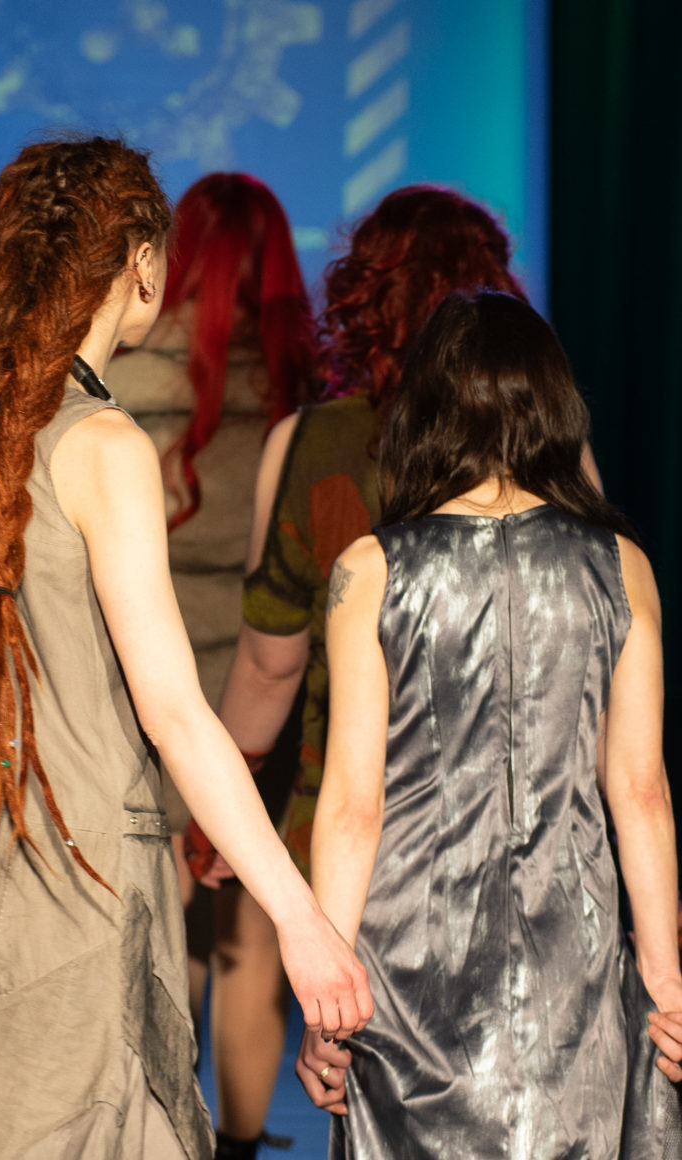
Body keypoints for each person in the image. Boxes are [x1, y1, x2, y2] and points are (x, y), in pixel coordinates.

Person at [0, 137, 371, 1160]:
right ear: (139, 261)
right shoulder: (102, 443)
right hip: (82, 865)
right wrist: (300, 917)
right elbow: (173, 712)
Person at [297, 290, 682, 1157]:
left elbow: (353, 805)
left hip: (408, 979)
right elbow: (640, 791)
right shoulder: (620, 564)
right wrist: (665, 981)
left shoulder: (372, 570)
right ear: (555, 408)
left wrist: (326, 1004)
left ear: (423, 411)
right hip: (574, 971)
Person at [198, 185, 525, 1159]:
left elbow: (269, 662)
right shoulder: (544, 449)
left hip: (345, 801)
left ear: (363, 296)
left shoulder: (312, 441)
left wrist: (220, 796)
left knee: (270, 963)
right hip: (510, 810)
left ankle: (237, 1143)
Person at [103, 172, 317, 1145]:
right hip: (266, 694)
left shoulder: (121, 383)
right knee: (252, 938)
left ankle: (165, 1133)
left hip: (149, 693)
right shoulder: (303, 398)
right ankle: (235, 1146)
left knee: (168, 926)